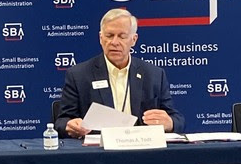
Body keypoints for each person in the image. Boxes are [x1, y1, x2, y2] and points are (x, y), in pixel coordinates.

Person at [55, 8, 184, 138]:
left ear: (134, 40)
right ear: (100, 38)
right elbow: (61, 122)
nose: (114, 42)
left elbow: (177, 119)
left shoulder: (154, 74)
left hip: (141, 150)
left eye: (122, 36)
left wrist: (170, 123)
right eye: (109, 36)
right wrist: (71, 125)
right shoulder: (79, 75)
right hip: (98, 152)